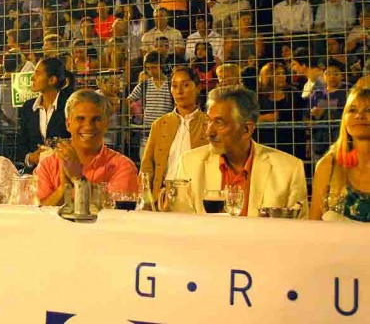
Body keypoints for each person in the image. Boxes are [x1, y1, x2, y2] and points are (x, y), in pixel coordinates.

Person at [175, 86, 308, 217]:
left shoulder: (289, 170)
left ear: (246, 130)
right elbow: (181, 227)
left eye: (219, 123)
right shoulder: (189, 164)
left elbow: (298, 233)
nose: (209, 132)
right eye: (209, 121)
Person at [36, 90, 138, 205]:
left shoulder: (123, 167)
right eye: (80, 119)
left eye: (96, 119)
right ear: (68, 124)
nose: (88, 126)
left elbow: (118, 216)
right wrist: (63, 190)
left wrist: (78, 179)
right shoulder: (48, 165)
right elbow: (38, 216)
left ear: (107, 124)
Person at [141, 66, 210, 200]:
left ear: (198, 87)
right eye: (174, 85)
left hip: (196, 197)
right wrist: (146, 200)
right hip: (162, 198)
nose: (179, 91)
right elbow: (147, 167)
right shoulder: (159, 125)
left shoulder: (208, 124)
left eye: (185, 85)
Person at [311, 86, 370, 222]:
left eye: (368, 110)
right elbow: (313, 225)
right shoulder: (328, 166)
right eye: (352, 110)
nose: (359, 115)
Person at [16, 57, 71, 170]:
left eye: (37, 74)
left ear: (52, 80)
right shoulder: (28, 107)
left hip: (63, 172)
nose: (32, 78)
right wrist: (30, 158)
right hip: (35, 174)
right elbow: (22, 145)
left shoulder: (69, 106)